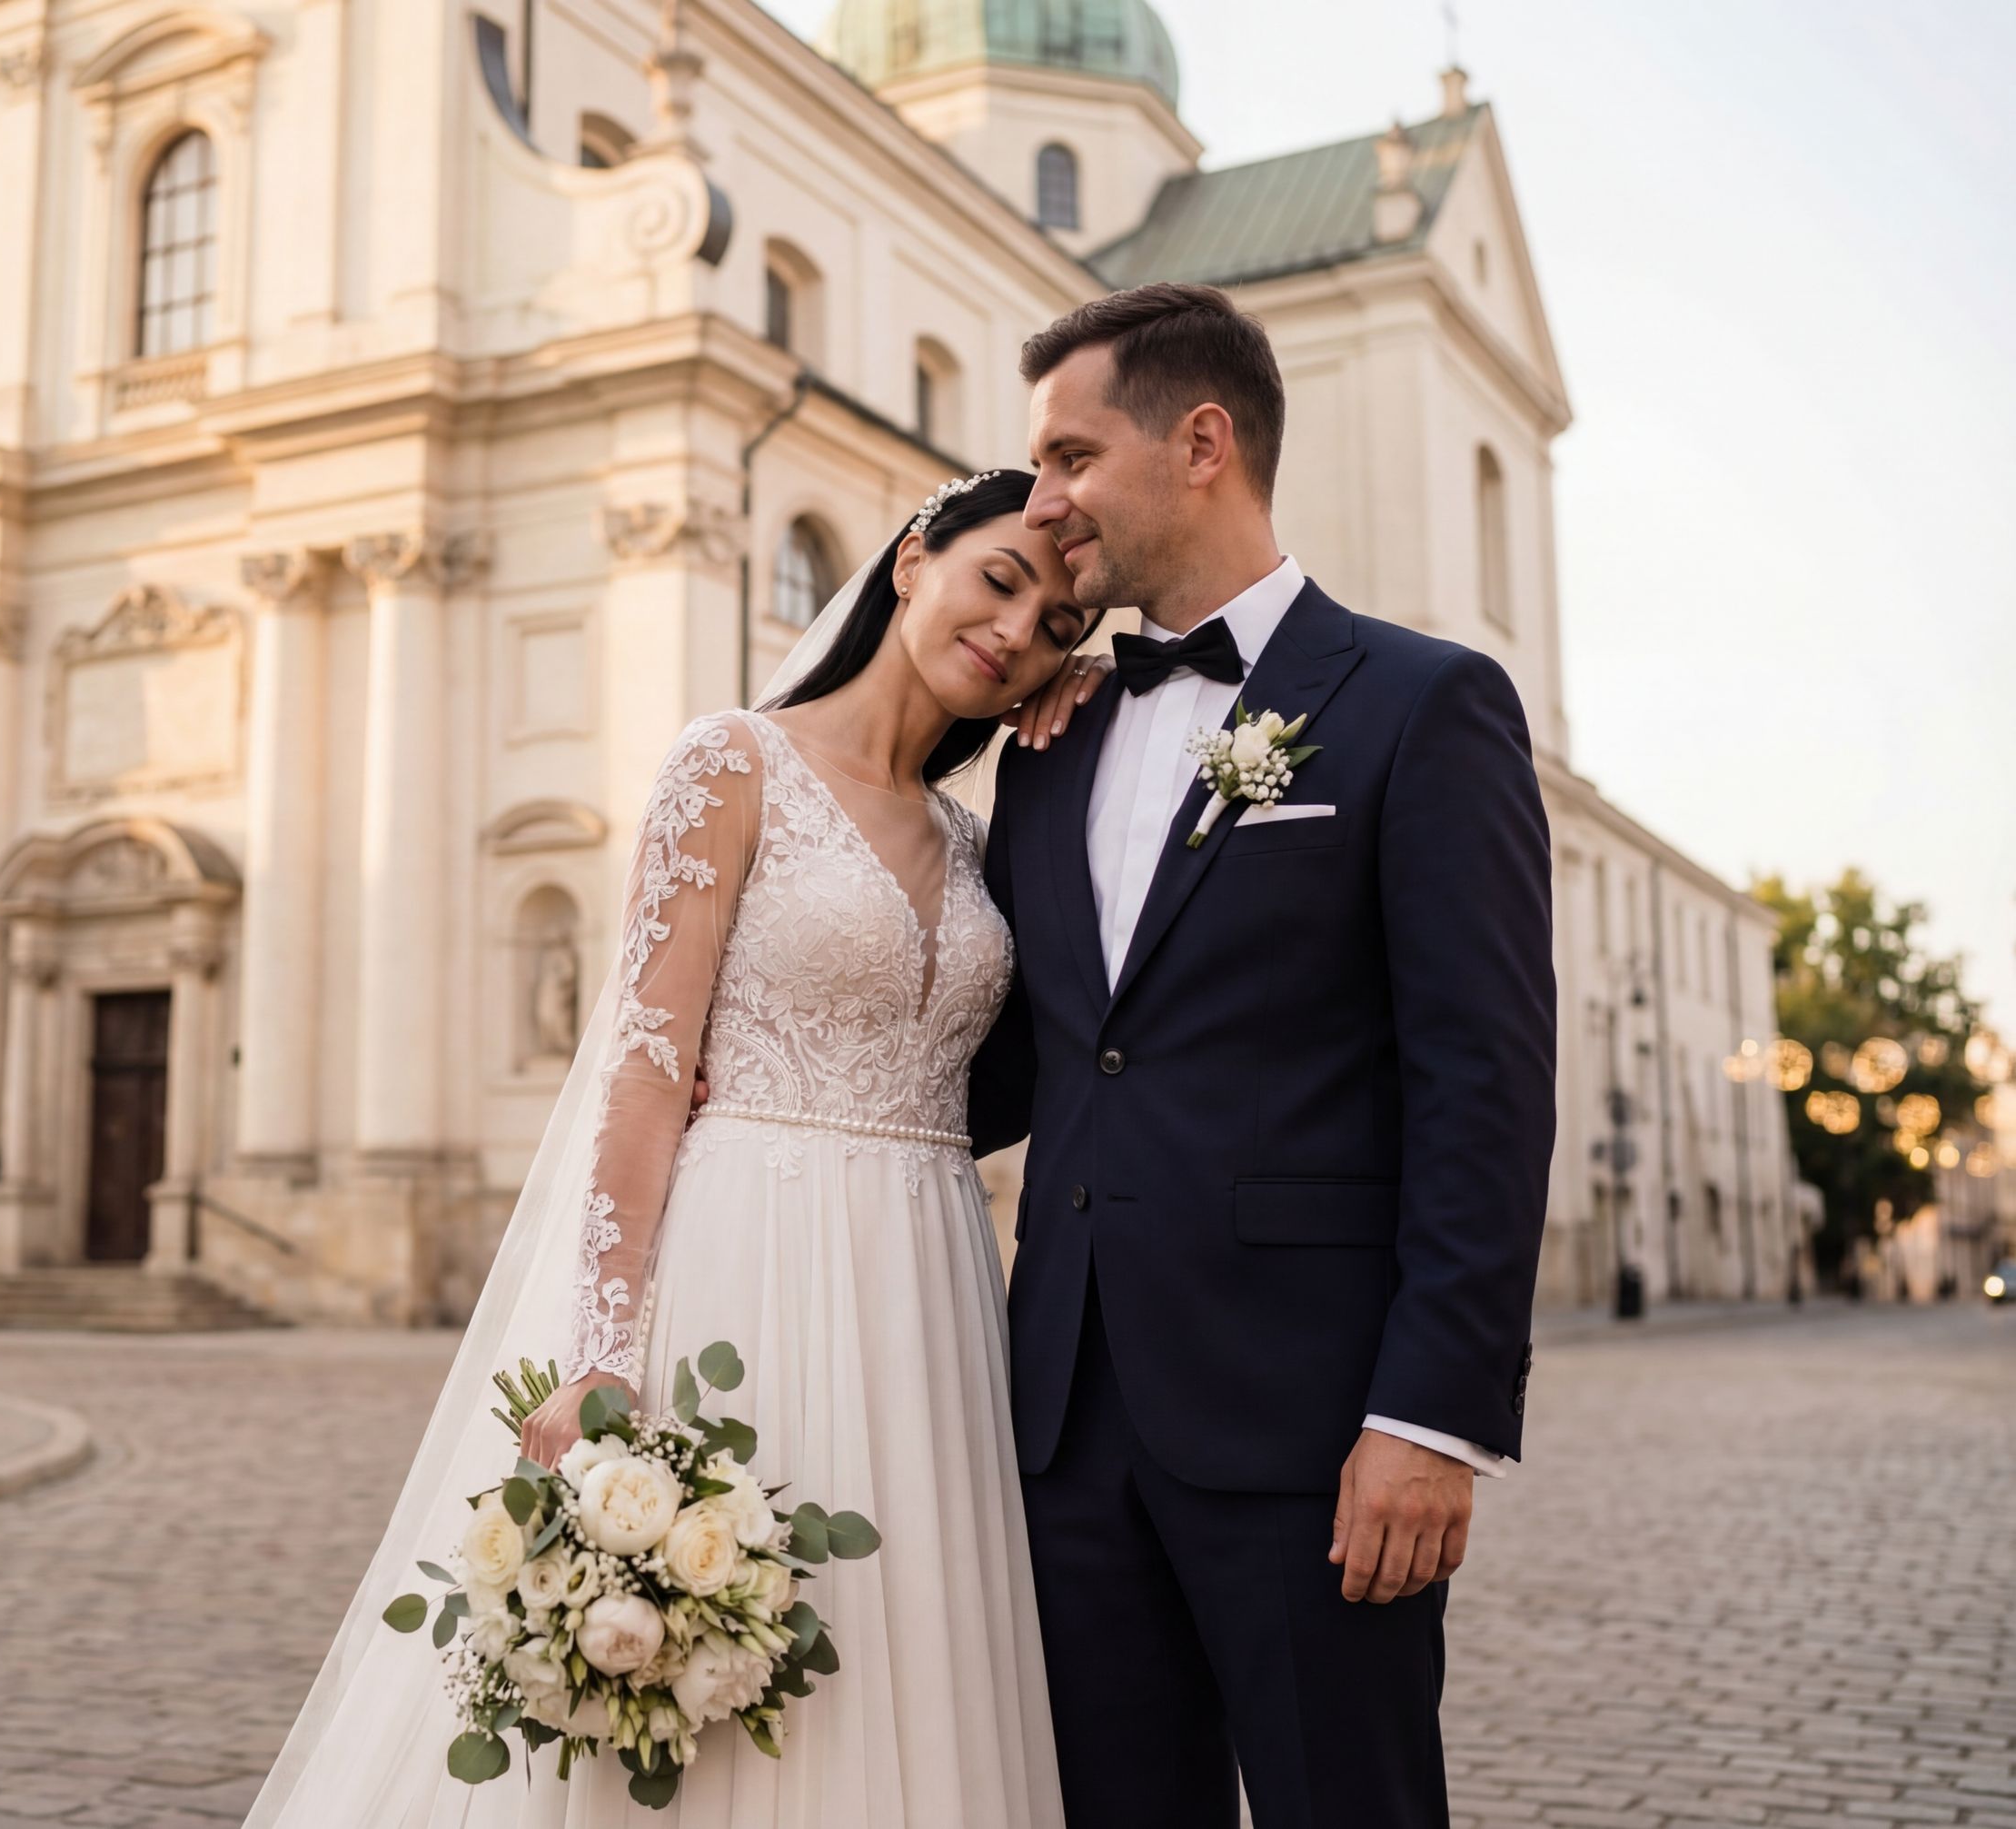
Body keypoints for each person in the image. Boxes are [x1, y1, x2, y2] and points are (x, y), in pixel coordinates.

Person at [245, 470, 1097, 1827]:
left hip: (931, 1295)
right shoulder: (734, 761)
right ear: (914, 557)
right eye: (1000, 580)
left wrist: (1089, 709)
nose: (1016, 631)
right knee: (727, 1679)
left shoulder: (981, 837)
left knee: (906, 1656)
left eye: (1058, 625)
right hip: (746, 1262)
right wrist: (600, 1350)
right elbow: (643, 1080)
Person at [979, 282, 1557, 1827]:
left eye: (1069, 459)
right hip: (1069, 1435)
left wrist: (1430, 1419)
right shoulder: (1052, 744)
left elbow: (1483, 1086)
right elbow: (1026, 1059)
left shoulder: (1422, 707)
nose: (1041, 508)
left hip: (1315, 1437)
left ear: (1204, 443)